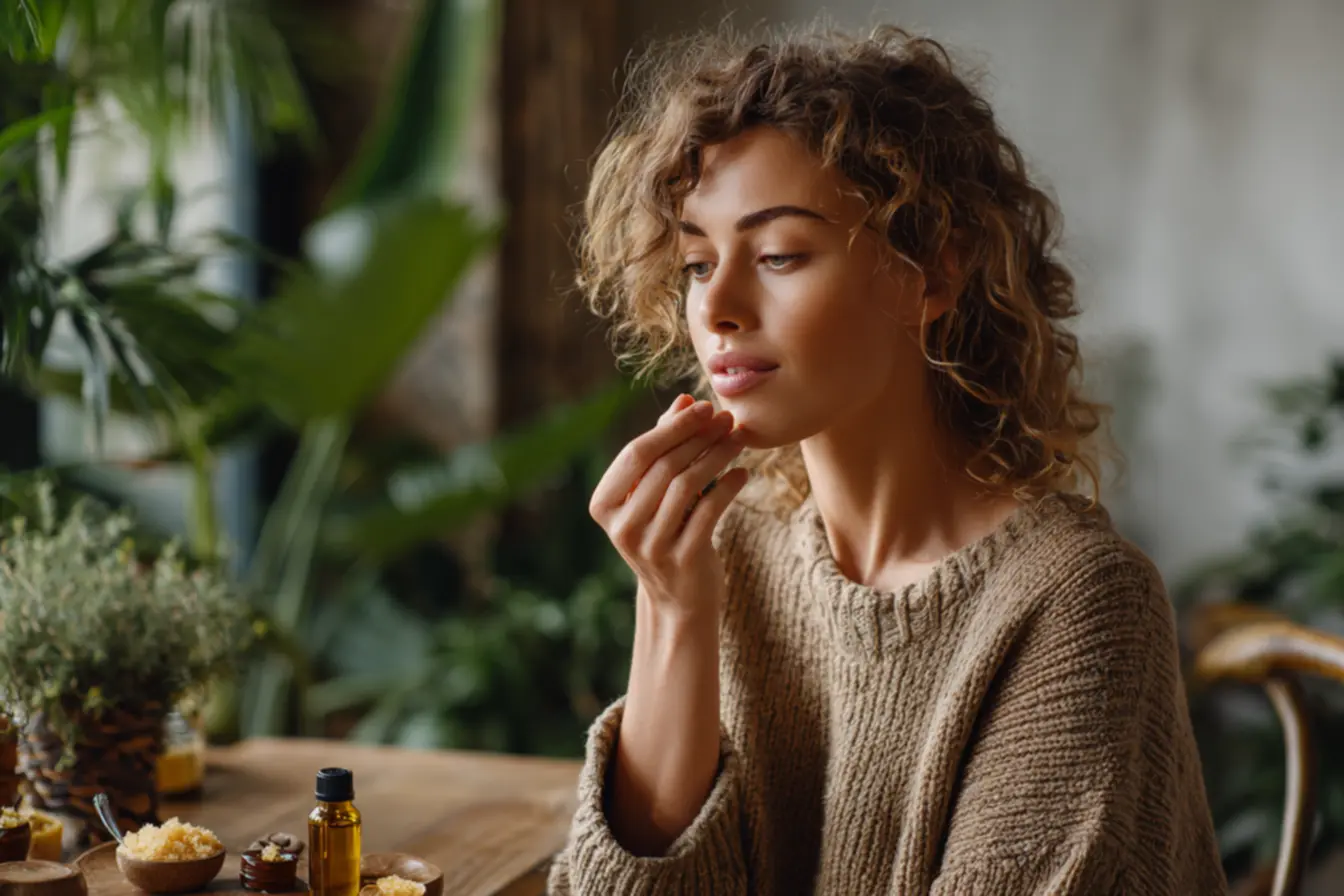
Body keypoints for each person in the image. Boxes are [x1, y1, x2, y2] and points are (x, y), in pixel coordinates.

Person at [547, 22, 1227, 896]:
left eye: (781, 254)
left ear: (932, 274)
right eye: (695, 261)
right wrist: (672, 609)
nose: (715, 306)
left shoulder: (1078, 602)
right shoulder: (731, 548)